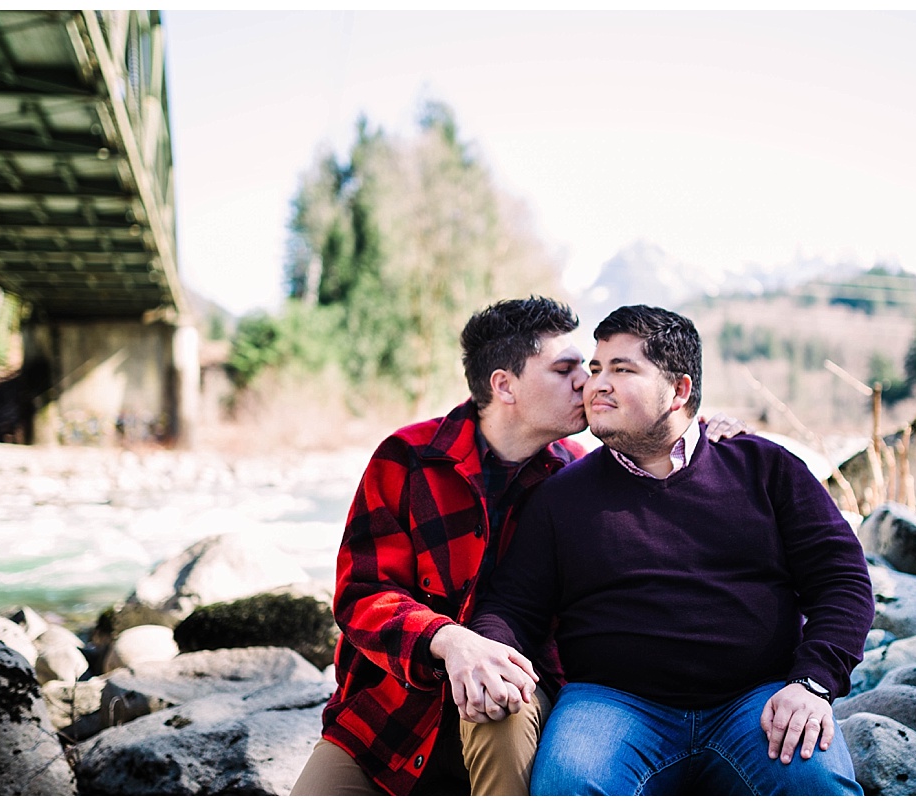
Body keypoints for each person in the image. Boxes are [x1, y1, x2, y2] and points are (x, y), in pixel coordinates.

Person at [290, 297, 745, 796]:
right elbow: (362, 593)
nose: (587, 383)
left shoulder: (579, 476)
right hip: (392, 717)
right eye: (565, 369)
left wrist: (705, 436)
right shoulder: (409, 458)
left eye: (588, 369)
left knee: (499, 705)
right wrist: (452, 640)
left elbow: (665, 483)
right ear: (504, 385)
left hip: (519, 699)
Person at [466, 304, 875, 796]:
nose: (595, 384)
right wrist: (487, 649)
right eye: (595, 369)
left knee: (817, 784)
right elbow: (514, 605)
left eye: (622, 369)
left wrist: (812, 684)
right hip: (611, 706)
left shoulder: (767, 468)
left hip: (755, 700)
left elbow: (842, 581)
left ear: (679, 390)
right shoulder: (562, 493)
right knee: (568, 785)